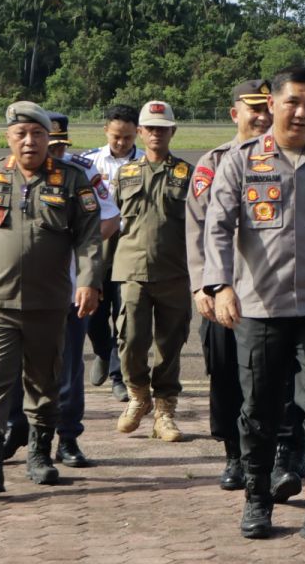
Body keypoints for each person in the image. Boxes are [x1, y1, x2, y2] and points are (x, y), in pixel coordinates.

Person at [203, 66, 305, 546]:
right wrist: (220, 285)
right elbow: (217, 226)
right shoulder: (240, 160)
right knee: (258, 408)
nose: (301, 112)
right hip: (260, 304)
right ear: (271, 104)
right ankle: (257, 499)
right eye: (292, 101)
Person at [0, 101, 102, 493]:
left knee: (44, 382)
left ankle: (39, 452)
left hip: (49, 304)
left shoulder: (71, 180)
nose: (29, 141)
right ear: (8, 137)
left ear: (49, 137)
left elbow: (88, 236)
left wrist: (89, 281)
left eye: (37, 134)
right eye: (20, 134)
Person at [1, 113, 121, 468]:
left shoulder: (80, 174)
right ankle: (16, 429)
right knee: (11, 367)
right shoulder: (5, 172)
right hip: (17, 290)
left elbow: (111, 217)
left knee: (66, 369)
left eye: (57, 144)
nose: (51, 149)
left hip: (67, 289)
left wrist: (74, 244)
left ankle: (66, 438)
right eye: (45, 141)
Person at [185, 79, 273, 491]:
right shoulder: (214, 161)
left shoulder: (284, 157)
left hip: (270, 289)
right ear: (234, 113)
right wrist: (205, 285)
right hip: (224, 288)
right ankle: (234, 455)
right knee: (225, 373)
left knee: (273, 377)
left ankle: (278, 453)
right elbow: (198, 227)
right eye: (252, 108)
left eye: (266, 107)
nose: (261, 116)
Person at [112, 101, 192, 442]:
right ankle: (137, 396)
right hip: (131, 270)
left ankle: (164, 410)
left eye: (163, 128)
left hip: (175, 270)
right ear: (140, 132)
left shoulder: (189, 174)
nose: (156, 133)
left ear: (172, 131)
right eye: (150, 128)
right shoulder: (125, 174)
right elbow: (110, 224)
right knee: (130, 340)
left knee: (170, 344)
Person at [83, 104, 144, 403]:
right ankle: (101, 351)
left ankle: (119, 377)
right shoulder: (88, 162)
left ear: (138, 134)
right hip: (98, 245)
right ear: (106, 129)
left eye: (128, 138)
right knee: (94, 311)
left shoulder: (146, 162)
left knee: (125, 314)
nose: (121, 143)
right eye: (117, 136)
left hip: (131, 246)